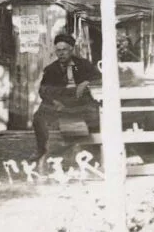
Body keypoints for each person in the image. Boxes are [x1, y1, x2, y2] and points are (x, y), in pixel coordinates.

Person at [31, 33, 101, 162]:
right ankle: (41, 148)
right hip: (60, 102)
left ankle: (95, 150)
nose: (61, 53)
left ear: (71, 50)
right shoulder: (51, 69)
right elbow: (43, 90)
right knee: (38, 118)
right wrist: (54, 101)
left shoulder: (84, 65)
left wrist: (86, 83)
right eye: (58, 50)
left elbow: (98, 78)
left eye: (64, 50)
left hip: (81, 102)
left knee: (97, 114)